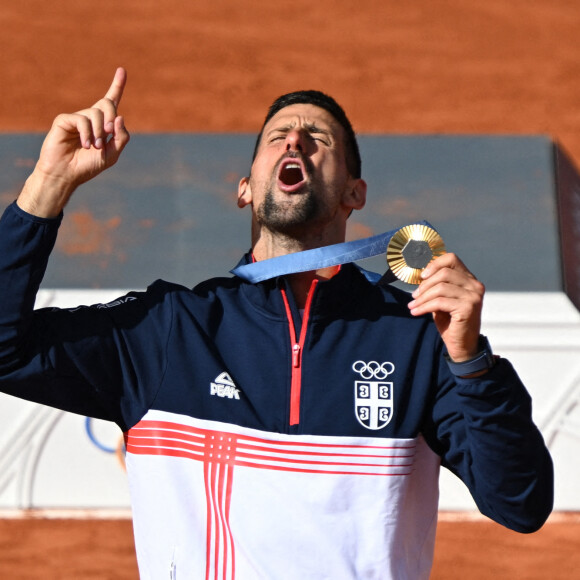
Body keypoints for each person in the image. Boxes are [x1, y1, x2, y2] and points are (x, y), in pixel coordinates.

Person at [0, 68, 553, 579]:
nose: (295, 141)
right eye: (278, 136)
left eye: (320, 138)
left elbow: (520, 503)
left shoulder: (413, 337)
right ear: (245, 190)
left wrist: (471, 360)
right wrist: (48, 183)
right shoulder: (171, 331)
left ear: (354, 194)